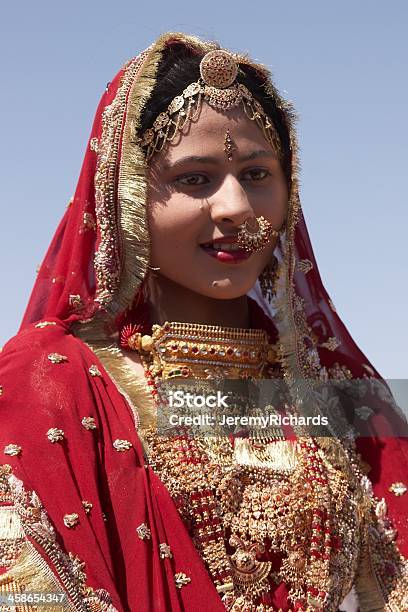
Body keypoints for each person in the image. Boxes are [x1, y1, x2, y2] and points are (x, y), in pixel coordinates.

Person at [0, 32, 407, 612]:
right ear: (128, 194)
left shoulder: (337, 397)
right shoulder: (50, 385)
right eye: (195, 179)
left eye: (258, 174)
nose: (236, 207)